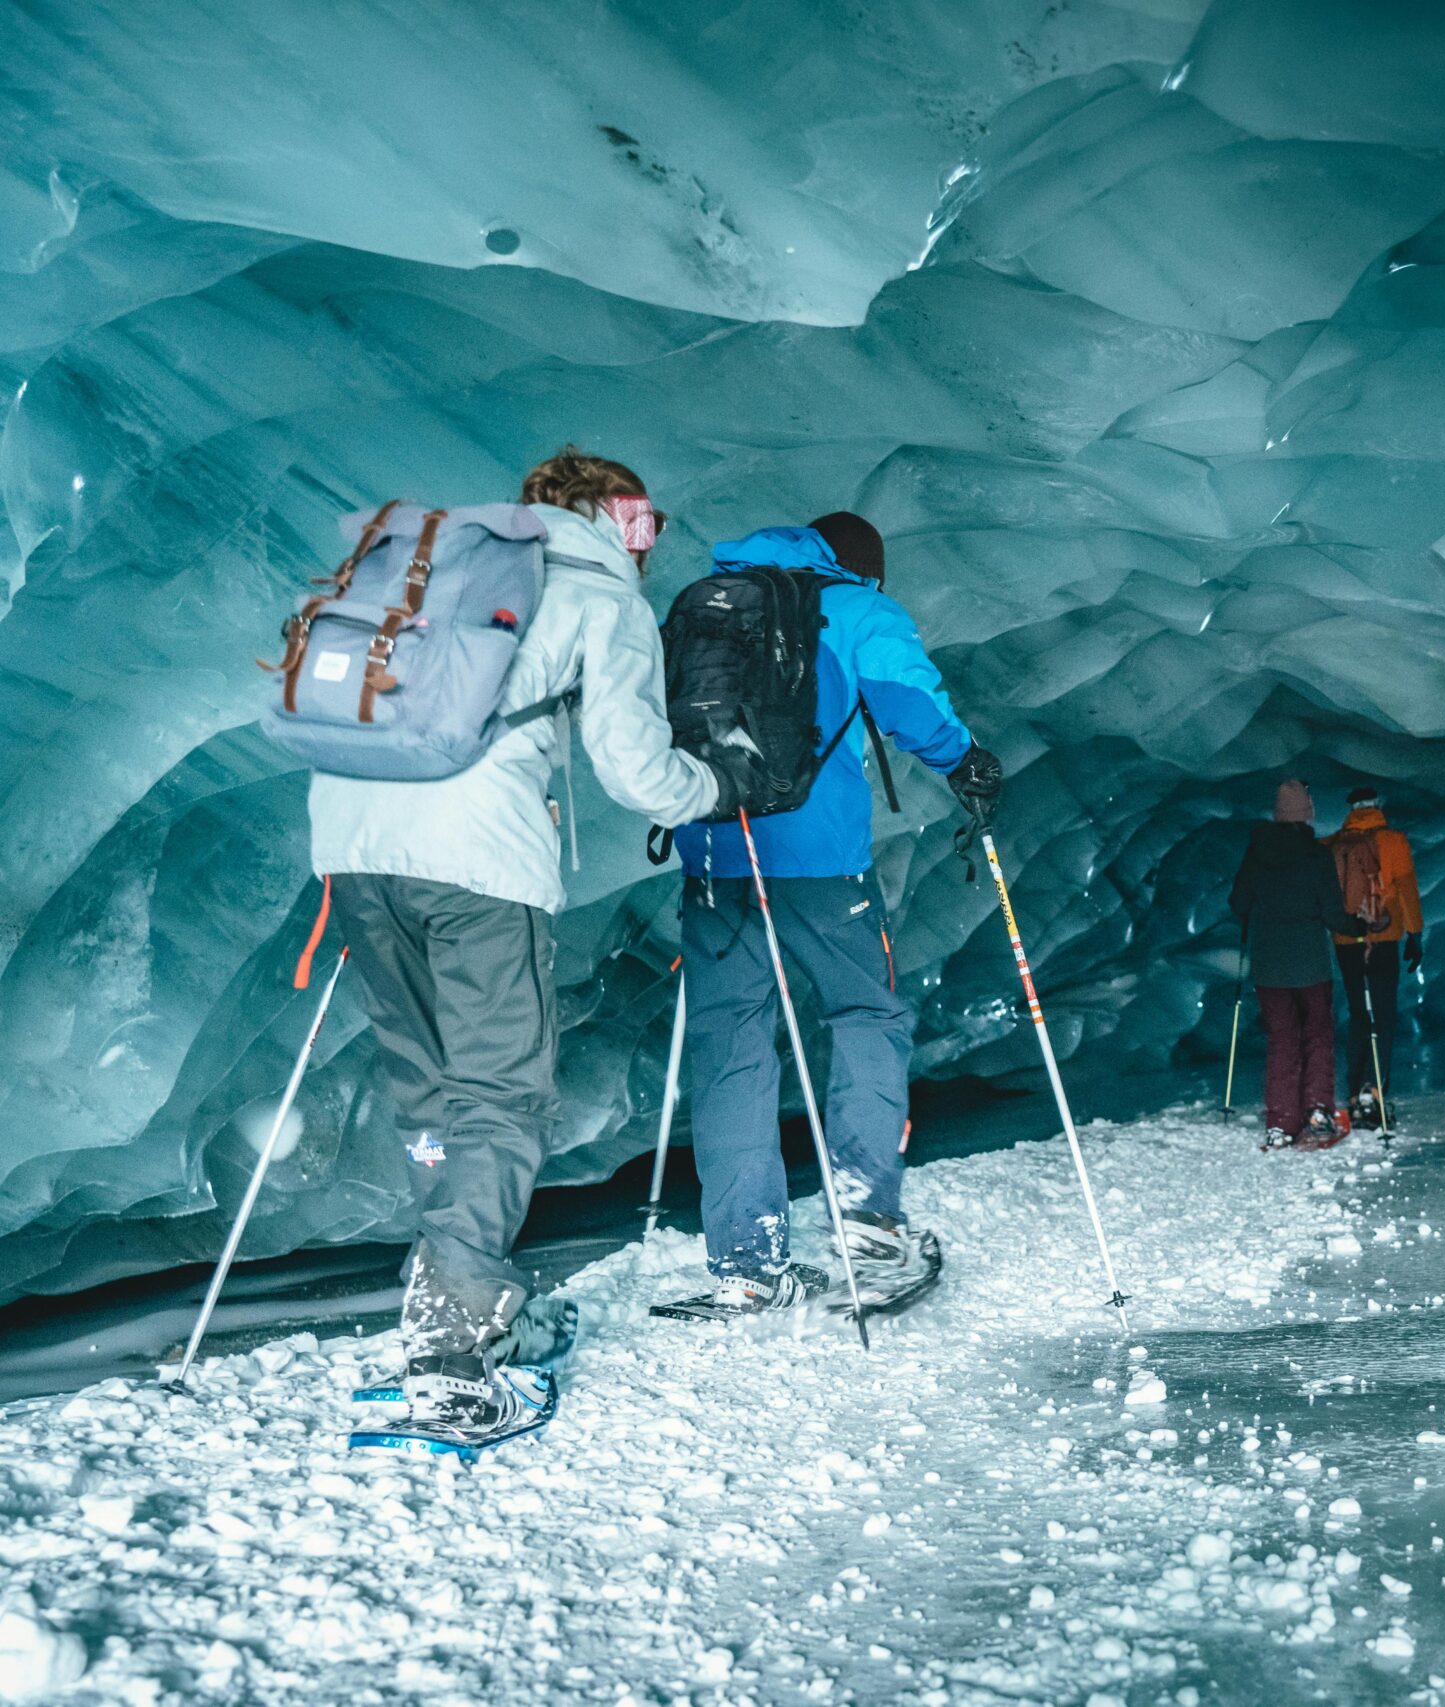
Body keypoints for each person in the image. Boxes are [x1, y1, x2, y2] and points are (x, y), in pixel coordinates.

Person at [311, 447, 742, 1442]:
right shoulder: (595, 589)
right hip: (474, 861)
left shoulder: (435, 570)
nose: (648, 542)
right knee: (501, 1088)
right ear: (607, 512)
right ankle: (456, 1333)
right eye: (645, 521)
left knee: (427, 1088)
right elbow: (636, 768)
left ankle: (454, 1283)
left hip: (352, 842)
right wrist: (712, 790)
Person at [670, 511, 1000, 1313]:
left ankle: (747, 1259)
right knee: (864, 1018)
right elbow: (909, 704)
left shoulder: (702, 603)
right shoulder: (857, 608)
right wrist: (969, 763)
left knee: (733, 1044)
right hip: (822, 865)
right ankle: (865, 1218)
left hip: (715, 856)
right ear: (865, 568)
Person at [1230, 779, 1368, 1147]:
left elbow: (1238, 903)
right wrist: (1359, 927)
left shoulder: (1256, 853)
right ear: (1306, 813)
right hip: (1310, 962)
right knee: (1318, 1035)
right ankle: (1318, 1113)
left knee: (1281, 1039)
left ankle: (1280, 1123)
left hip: (1270, 964)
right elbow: (1332, 913)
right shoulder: (1315, 855)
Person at [1326, 785, 1424, 1127]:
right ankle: (1374, 1093)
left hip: (1346, 939)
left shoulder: (1332, 845)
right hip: (1383, 936)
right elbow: (1407, 887)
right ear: (1377, 805)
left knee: (1358, 1014)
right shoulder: (1393, 840)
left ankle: (1355, 1095)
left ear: (1352, 809)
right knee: (1382, 1015)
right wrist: (1415, 934)